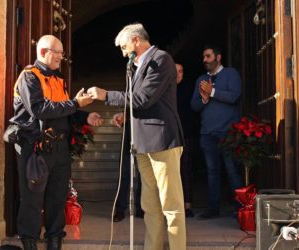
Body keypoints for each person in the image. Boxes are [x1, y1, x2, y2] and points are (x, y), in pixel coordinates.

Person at [87, 23, 186, 250]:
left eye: (123, 47)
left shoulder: (161, 59)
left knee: (171, 205)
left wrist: (106, 95)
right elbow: (140, 103)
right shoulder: (137, 65)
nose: (123, 53)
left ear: (135, 41)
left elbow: (143, 99)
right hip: (142, 143)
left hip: (162, 141)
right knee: (149, 205)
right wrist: (126, 115)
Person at [10, 35, 103, 250]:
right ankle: (29, 240)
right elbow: (39, 110)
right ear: (43, 52)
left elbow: (64, 111)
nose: (62, 57)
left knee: (57, 195)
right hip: (35, 146)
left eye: (62, 53)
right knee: (32, 196)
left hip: (60, 148)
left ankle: (54, 238)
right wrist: (74, 103)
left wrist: (84, 116)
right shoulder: (29, 77)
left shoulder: (59, 78)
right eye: (58, 53)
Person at [190, 45, 243, 220]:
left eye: (208, 56)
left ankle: (240, 209)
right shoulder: (201, 79)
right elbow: (194, 105)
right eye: (203, 57)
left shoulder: (231, 74)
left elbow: (234, 96)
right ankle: (213, 209)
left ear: (218, 57)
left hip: (228, 133)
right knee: (212, 172)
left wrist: (211, 92)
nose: (204, 60)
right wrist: (204, 99)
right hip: (207, 134)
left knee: (232, 170)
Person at [176, 63, 199, 218]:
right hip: (168, 136)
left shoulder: (189, 88)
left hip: (186, 134)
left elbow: (194, 109)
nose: (178, 74)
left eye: (181, 71)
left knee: (185, 169)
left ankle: (187, 205)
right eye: (175, 71)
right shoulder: (163, 88)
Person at [111, 112, 143, 222]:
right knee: (124, 172)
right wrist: (124, 115)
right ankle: (120, 209)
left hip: (146, 130)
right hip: (130, 130)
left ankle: (141, 208)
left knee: (145, 174)